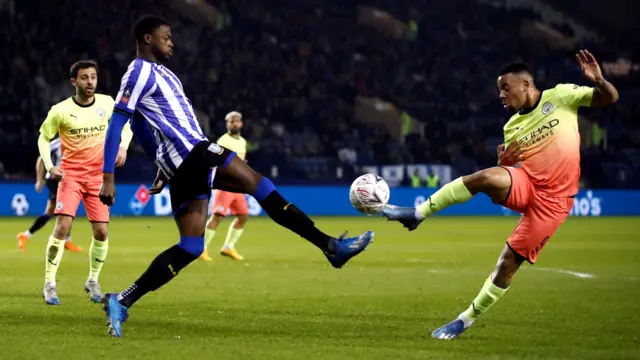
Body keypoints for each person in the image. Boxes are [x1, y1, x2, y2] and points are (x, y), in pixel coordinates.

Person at [99, 15, 374, 338]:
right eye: (166, 37)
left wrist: (161, 164)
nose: (172, 42)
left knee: (190, 246)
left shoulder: (163, 74)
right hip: (195, 152)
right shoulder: (138, 72)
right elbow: (118, 124)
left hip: (182, 163)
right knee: (261, 185)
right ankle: (330, 246)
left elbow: (143, 125)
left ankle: (123, 299)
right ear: (147, 39)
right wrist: (108, 177)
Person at [382, 50, 618, 339]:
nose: (501, 95)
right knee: (483, 177)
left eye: (505, 88)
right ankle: (417, 214)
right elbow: (513, 167)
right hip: (527, 183)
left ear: (526, 84)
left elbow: (610, 98)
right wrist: (505, 166)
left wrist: (599, 80)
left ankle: (464, 320)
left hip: (554, 202)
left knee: (507, 265)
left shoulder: (562, 96)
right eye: (498, 90)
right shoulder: (511, 127)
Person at [38, 60, 133, 305]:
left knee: (101, 231)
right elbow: (43, 139)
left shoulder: (106, 103)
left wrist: (123, 146)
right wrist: (50, 167)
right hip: (70, 175)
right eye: (84, 78)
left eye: (93, 77)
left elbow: (127, 125)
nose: (90, 82)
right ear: (74, 82)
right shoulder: (60, 110)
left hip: (99, 177)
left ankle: (92, 279)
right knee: (62, 226)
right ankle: (49, 283)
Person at [16, 138, 82, 253]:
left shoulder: (77, 142)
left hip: (65, 180)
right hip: (55, 179)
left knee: (51, 211)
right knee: (66, 209)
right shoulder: (57, 143)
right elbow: (41, 159)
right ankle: (65, 241)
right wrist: (39, 180)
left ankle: (26, 235)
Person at [201, 111, 249, 262]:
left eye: (237, 121)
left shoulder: (242, 141)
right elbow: (217, 162)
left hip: (237, 185)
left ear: (241, 123)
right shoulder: (223, 141)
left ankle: (228, 247)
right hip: (225, 184)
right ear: (227, 124)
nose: (234, 123)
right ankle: (201, 248)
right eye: (231, 121)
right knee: (218, 216)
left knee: (243, 215)